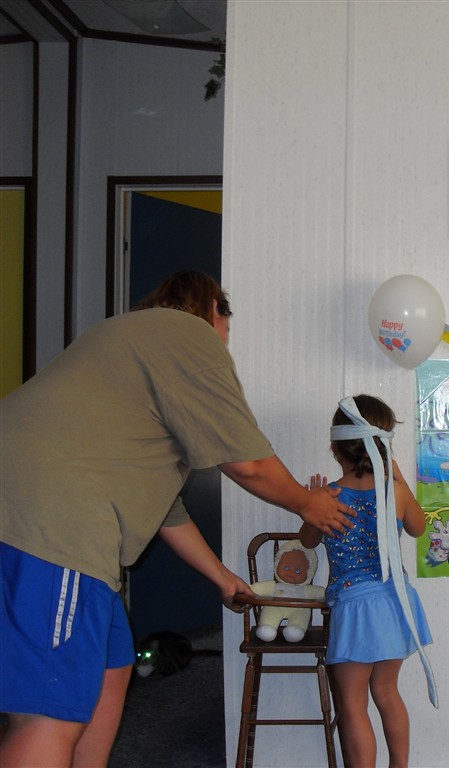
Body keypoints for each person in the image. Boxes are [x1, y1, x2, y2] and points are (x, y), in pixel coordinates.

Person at [0, 271, 355, 767]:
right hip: (48, 525)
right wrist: (306, 502)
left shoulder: (128, 340)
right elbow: (247, 461)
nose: (225, 341)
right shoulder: (188, 334)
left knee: (111, 669)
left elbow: (165, 509)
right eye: (226, 327)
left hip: (41, 517)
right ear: (214, 311)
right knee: (48, 713)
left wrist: (223, 578)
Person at [299, 395, 437, 768]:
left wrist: (310, 504)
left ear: (335, 447)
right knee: (387, 692)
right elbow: (418, 527)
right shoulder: (396, 490)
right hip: (395, 603)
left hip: (355, 607)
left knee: (352, 704)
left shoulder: (328, 496)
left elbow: (307, 542)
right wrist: (398, 478)